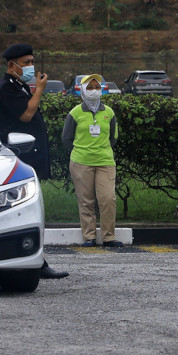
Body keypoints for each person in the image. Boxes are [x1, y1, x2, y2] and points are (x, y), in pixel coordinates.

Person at [0, 43, 68, 280]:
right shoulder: (7, 88)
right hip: (20, 158)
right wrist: (40, 89)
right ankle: (34, 261)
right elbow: (26, 115)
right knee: (24, 212)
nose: (31, 66)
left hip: (30, 156)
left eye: (32, 61)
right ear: (11, 65)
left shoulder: (19, 85)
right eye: (26, 63)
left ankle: (35, 259)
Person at [62, 75, 121, 248]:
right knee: (86, 201)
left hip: (105, 161)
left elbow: (113, 137)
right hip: (81, 161)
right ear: (82, 90)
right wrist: (81, 152)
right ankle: (89, 237)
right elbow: (67, 138)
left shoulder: (109, 112)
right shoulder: (75, 113)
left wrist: (101, 150)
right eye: (90, 87)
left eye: (97, 87)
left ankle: (109, 236)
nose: (94, 90)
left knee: (108, 198)